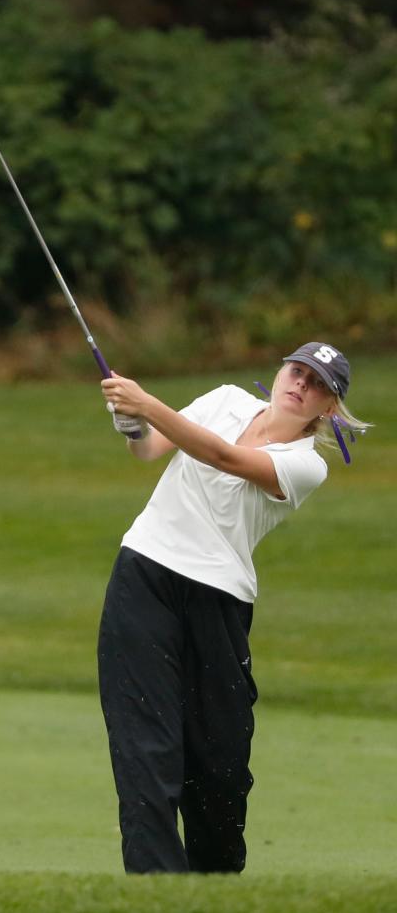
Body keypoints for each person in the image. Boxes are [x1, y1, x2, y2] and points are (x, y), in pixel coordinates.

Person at [96, 342, 371, 875]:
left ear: (329, 409)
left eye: (318, 385)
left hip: (218, 601)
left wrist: (148, 404)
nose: (301, 384)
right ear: (281, 370)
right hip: (144, 574)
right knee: (143, 750)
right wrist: (132, 423)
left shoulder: (305, 466)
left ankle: (216, 889)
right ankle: (157, 892)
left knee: (218, 769)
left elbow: (223, 458)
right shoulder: (223, 399)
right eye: (297, 370)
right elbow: (152, 448)